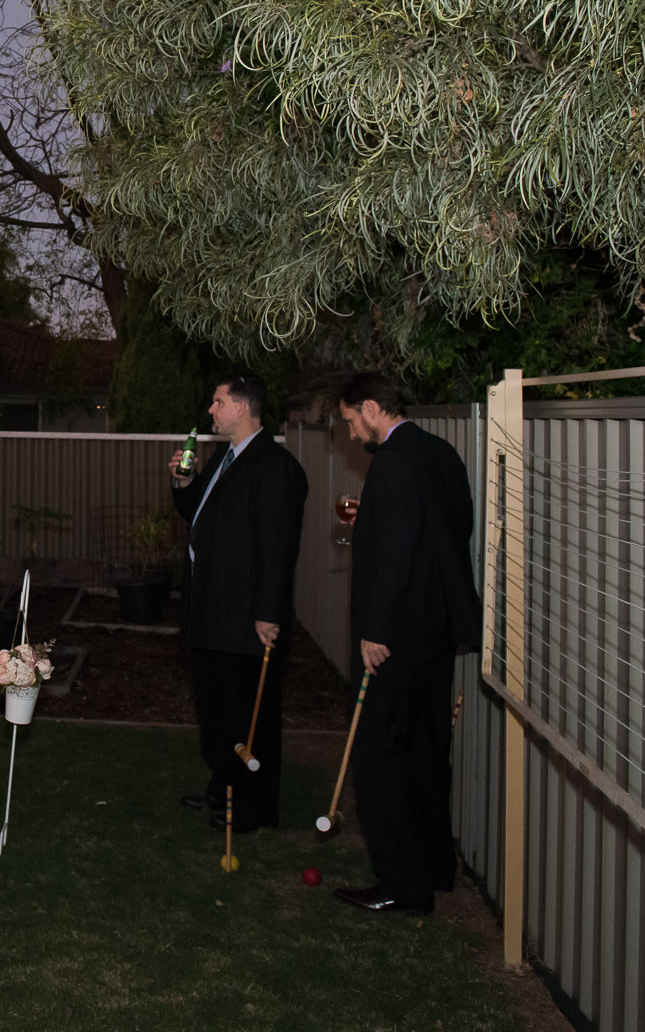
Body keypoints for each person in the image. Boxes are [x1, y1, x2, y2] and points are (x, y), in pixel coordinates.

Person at [332, 371, 481, 914]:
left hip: (392, 640)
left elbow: (397, 552)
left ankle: (400, 882)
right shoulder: (441, 452)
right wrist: (367, 515)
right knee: (427, 752)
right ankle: (436, 867)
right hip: (434, 635)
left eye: (352, 420)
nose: (352, 435)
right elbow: (443, 532)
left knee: (382, 760)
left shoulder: (392, 461)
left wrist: (376, 629)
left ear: (372, 408)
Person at [170, 374, 308, 833]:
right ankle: (223, 790)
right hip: (211, 610)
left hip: (246, 618)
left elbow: (277, 548)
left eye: (219, 402)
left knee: (251, 717)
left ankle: (254, 808)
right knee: (217, 711)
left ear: (244, 408)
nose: (211, 410)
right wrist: (184, 482)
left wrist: (268, 612)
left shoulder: (275, 467)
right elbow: (200, 515)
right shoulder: (224, 459)